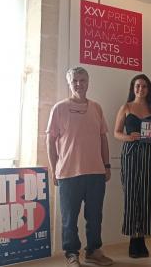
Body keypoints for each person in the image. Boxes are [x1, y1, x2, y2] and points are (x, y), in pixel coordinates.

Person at [46, 67, 114, 267]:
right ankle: (71, 254)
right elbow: (49, 141)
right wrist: (53, 169)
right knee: (69, 219)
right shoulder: (59, 108)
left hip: (96, 173)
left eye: (82, 80)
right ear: (69, 83)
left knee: (95, 217)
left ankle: (93, 251)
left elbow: (103, 138)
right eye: (75, 80)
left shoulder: (96, 108)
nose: (79, 84)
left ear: (88, 82)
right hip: (68, 173)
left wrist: (107, 165)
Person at [114, 74, 151, 258]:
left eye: (144, 86)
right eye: (137, 86)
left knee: (147, 194)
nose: (140, 89)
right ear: (132, 88)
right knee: (131, 194)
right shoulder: (126, 107)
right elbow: (116, 133)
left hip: (149, 154)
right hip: (131, 153)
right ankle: (132, 240)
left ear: (148, 89)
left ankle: (142, 238)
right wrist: (128, 137)